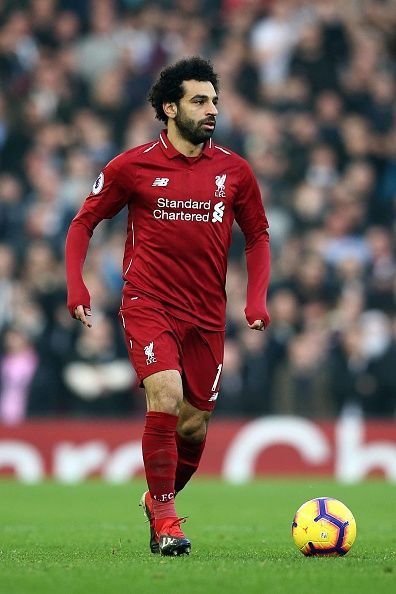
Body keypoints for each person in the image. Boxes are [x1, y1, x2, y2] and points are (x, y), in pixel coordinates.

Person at [65, 57, 271, 556]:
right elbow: (82, 223)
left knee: (194, 425)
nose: (212, 110)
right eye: (201, 101)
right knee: (165, 395)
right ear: (170, 107)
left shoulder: (234, 171)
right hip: (148, 303)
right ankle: (167, 523)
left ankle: (158, 501)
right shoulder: (130, 166)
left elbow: (258, 235)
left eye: (215, 101)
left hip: (206, 315)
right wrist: (77, 286)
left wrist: (255, 298)